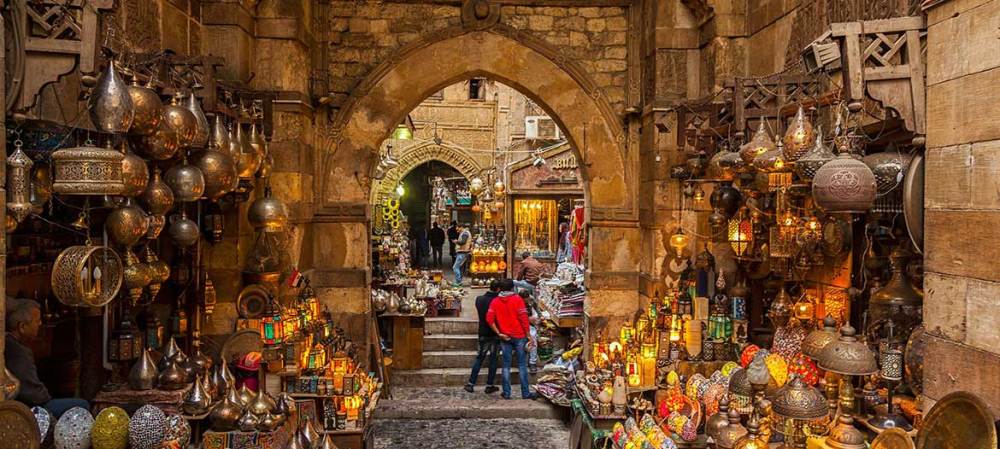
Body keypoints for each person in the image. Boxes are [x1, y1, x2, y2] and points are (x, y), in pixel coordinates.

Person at [5, 298, 89, 417]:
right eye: (37, 321)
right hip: (29, 409)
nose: (40, 324)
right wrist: (46, 397)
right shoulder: (18, 351)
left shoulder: (12, 343)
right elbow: (33, 394)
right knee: (82, 405)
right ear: (22, 327)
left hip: (24, 404)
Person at [486, 279, 537, 400]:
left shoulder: (495, 301)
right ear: (511, 288)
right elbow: (524, 319)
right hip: (519, 336)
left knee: (506, 366)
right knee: (522, 365)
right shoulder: (517, 300)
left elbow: (489, 319)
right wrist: (528, 335)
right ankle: (525, 393)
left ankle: (507, 393)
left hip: (505, 337)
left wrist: (499, 333)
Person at [464, 280, 501, 394]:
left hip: (483, 332)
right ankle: (489, 385)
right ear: (498, 289)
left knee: (480, 358)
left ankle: (471, 383)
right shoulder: (498, 301)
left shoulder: (479, 299)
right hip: (495, 333)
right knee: (493, 359)